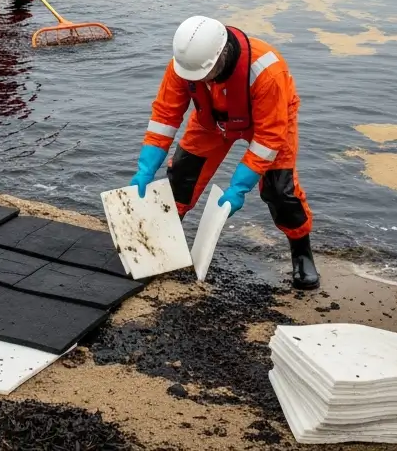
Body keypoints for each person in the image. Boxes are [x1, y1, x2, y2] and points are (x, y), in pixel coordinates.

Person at [129, 16, 318, 289]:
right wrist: (146, 166)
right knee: (180, 177)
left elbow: (268, 138)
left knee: (280, 191)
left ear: (223, 54)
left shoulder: (267, 72)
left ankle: (302, 253)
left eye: (205, 74)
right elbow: (165, 115)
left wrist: (239, 187)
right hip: (211, 121)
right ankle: (159, 246)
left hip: (269, 121)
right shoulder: (185, 65)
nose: (199, 79)